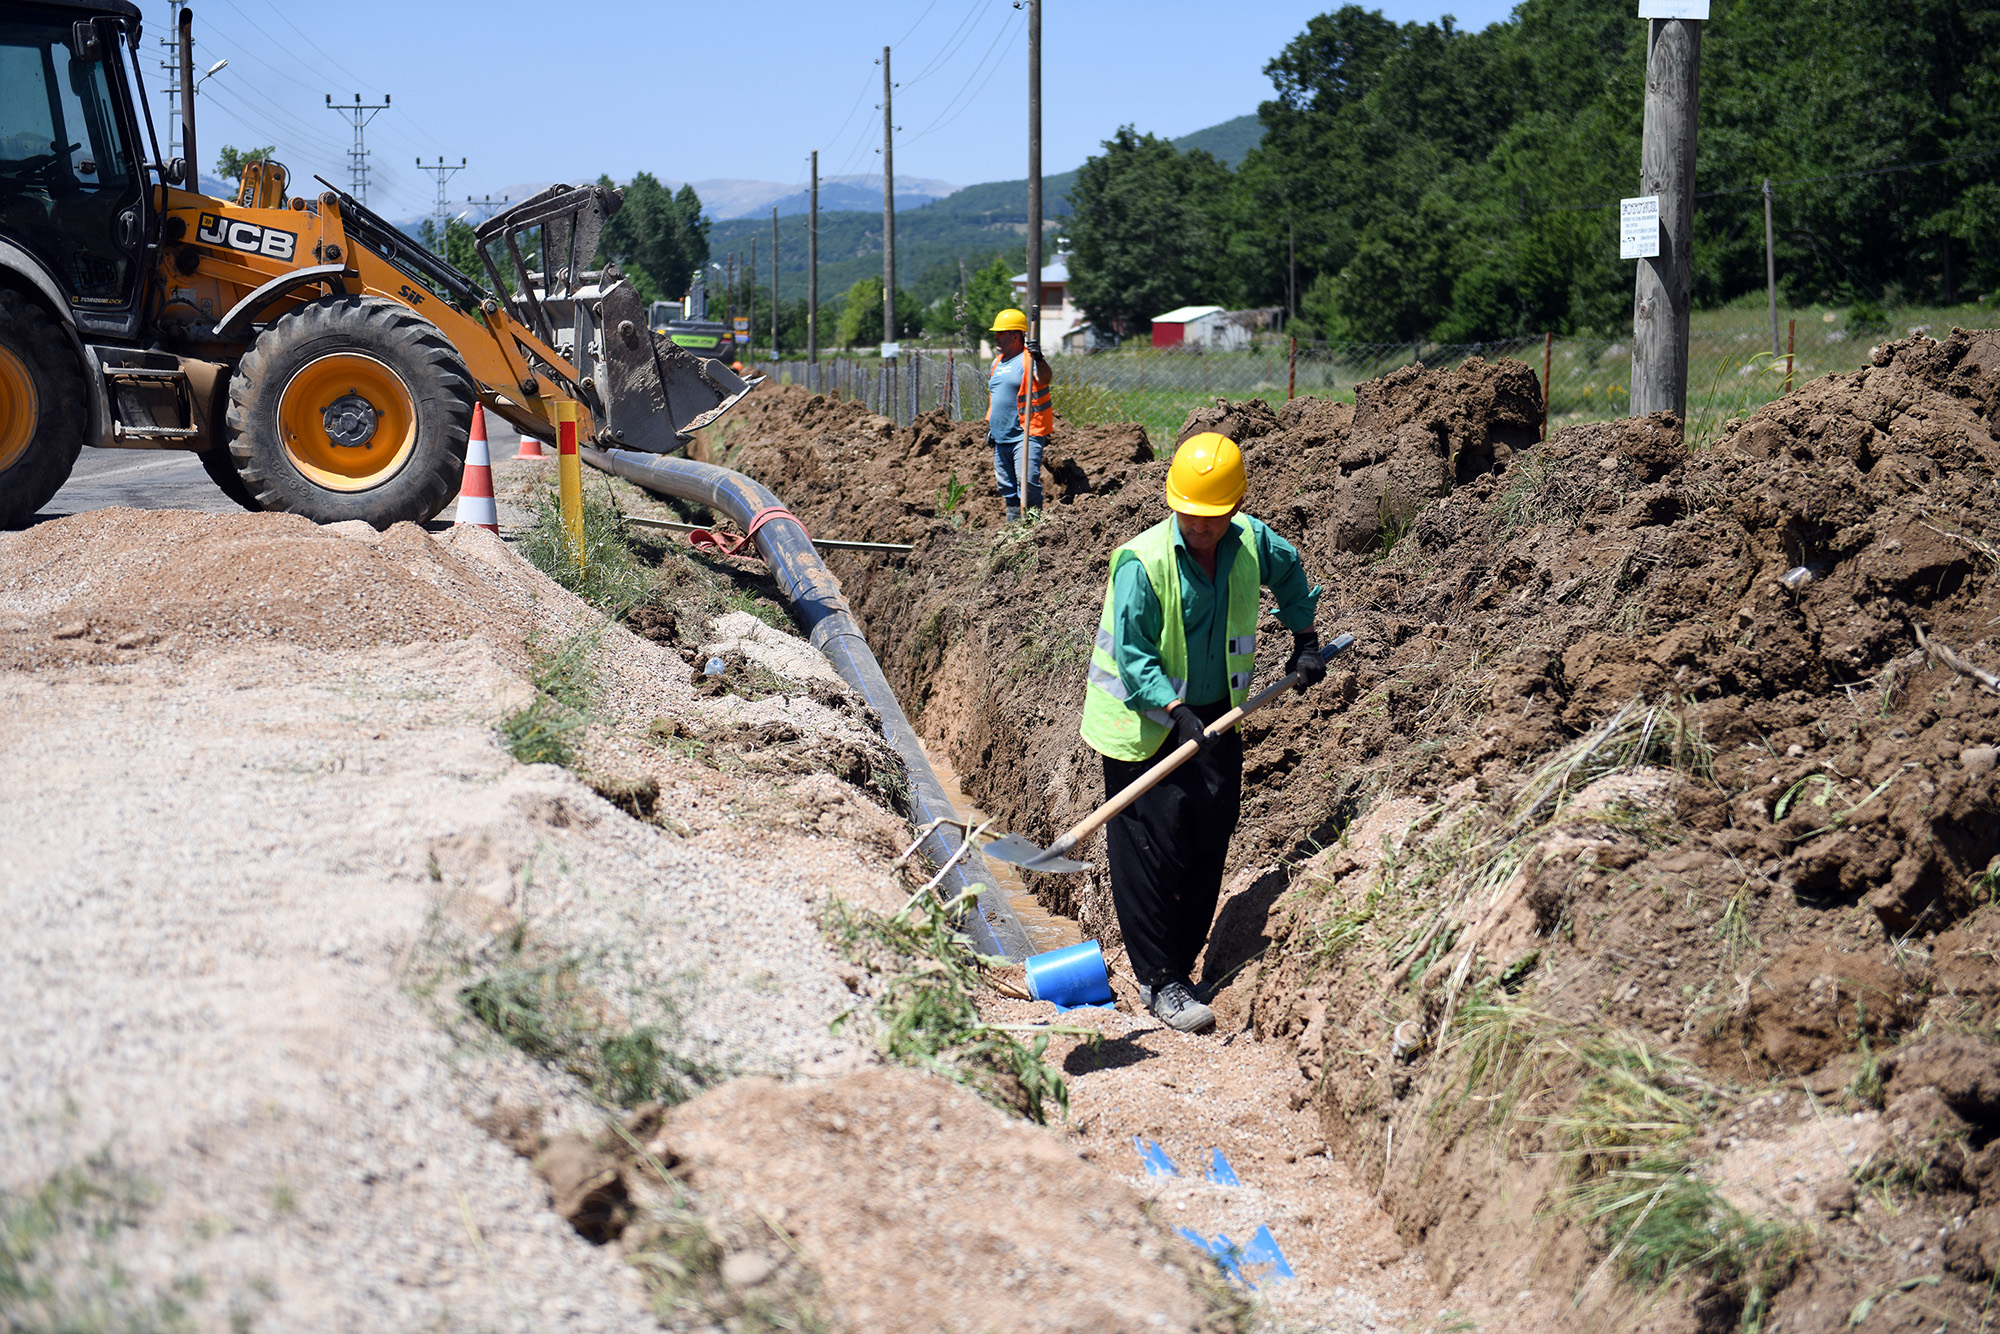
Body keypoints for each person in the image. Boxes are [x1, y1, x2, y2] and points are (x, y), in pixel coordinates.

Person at [1077, 432, 1328, 1033]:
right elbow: (1133, 655)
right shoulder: (1142, 563)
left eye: (1213, 517)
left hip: (1217, 715)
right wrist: (1174, 710)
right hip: (1141, 723)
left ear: (1236, 507)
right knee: (1153, 850)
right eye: (1189, 514)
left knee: (1208, 838)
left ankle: (1183, 970)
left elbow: (1291, 573)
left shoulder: (1252, 543)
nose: (1200, 526)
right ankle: (1158, 979)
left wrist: (1305, 639)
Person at [986, 308, 1053, 522]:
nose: (996, 337)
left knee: (1027, 482)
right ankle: (1013, 526)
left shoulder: (1028, 360)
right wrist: (991, 428)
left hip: (1025, 433)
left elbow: (1045, 379)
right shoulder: (997, 363)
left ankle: (1033, 525)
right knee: (1006, 486)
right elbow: (995, 397)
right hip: (1001, 436)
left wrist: (1039, 358)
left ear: (1015, 336)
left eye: (1001, 333)